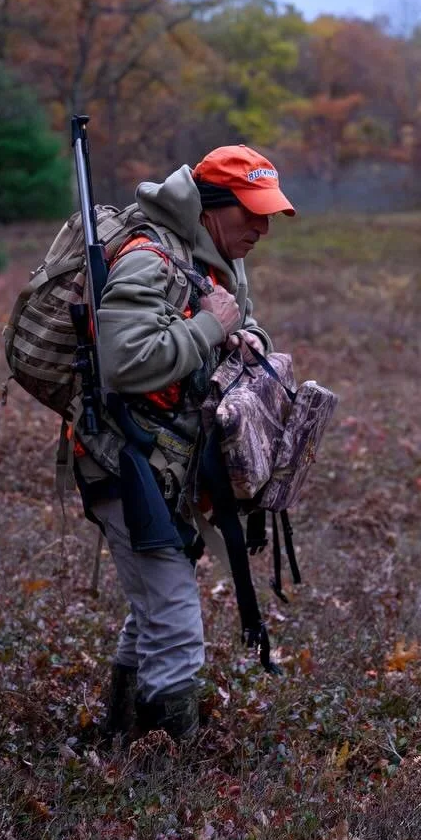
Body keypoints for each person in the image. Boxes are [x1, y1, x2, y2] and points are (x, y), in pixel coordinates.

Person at [75, 145, 296, 741]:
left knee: (155, 604)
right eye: (251, 212)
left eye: (269, 214)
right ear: (209, 209)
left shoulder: (213, 257)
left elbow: (235, 320)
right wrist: (210, 329)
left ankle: (118, 737)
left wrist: (244, 336)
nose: (263, 228)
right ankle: (165, 775)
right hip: (126, 462)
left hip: (171, 463)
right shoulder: (150, 260)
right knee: (174, 623)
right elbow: (123, 364)